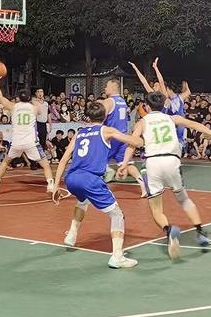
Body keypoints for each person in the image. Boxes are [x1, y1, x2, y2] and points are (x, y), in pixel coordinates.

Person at [118, 92, 211, 260]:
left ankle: (169, 230)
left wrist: (124, 163)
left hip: (153, 163)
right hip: (172, 161)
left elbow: (132, 143)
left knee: (156, 209)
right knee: (184, 199)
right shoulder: (172, 118)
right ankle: (200, 232)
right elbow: (194, 124)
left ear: (146, 106)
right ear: (163, 105)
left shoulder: (142, 122)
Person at [51, 102, 144, 269]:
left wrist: (55, 186)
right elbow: (135, 142)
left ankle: (71, 235)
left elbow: (64, 160)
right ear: (106, 116)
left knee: (82, 202)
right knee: (117, 215)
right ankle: (117, 256)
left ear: (88, 116)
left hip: (71, 178)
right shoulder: (106, 130)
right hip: (90, 179)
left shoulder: (79, 133)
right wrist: (141, 137)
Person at [0, 85, 55, 195]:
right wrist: (35, 99)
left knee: (5, 162)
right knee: (45, 164)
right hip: (31, 142)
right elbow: (40, 109)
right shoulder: (34, 107)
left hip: (16, 142)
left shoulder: (13, 106)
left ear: (18, 98)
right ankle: (50, 185)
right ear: (29, 98)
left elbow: (0, 97)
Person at [102, 78, 147, 196]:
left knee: (98, 161)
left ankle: (103, 178)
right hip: (123, 138)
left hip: (111, 137)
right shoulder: (122, 101)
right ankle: (143, 186)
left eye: (107, 86)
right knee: (127, 164)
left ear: (113, 87)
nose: (105, 88)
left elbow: (100, 119)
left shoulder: (109, 101)